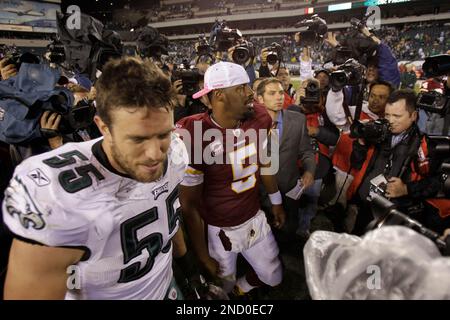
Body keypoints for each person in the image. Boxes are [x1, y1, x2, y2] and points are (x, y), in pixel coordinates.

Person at [2, 57, 190, 299]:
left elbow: (167, 215)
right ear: (103, 127)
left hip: (165, 287)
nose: (155, 154)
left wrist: (187, 267)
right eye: (138, 139)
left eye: (163, 134)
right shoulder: (58, 194)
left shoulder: (175, 150)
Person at [177, 62, 285, 297]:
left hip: (255, 217)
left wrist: (276, 200)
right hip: (219, 228)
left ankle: (242, 287)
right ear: (219, 95)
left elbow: (268, 162)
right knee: (220, 287)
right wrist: (203, 255)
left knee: (274, 275)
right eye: (241, 88)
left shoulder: (260, 117)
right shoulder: (193, 134)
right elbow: (189, 205)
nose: (249, 93)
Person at [256, 78, 316, 239]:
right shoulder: (248, 124)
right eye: (272, 93)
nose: (279, 97)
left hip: (290, 190)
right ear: (260, 99)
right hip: (259, 194)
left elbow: (306, 151)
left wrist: (309, 171)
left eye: (281, 92)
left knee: (288, 232)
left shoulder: (298, 120)